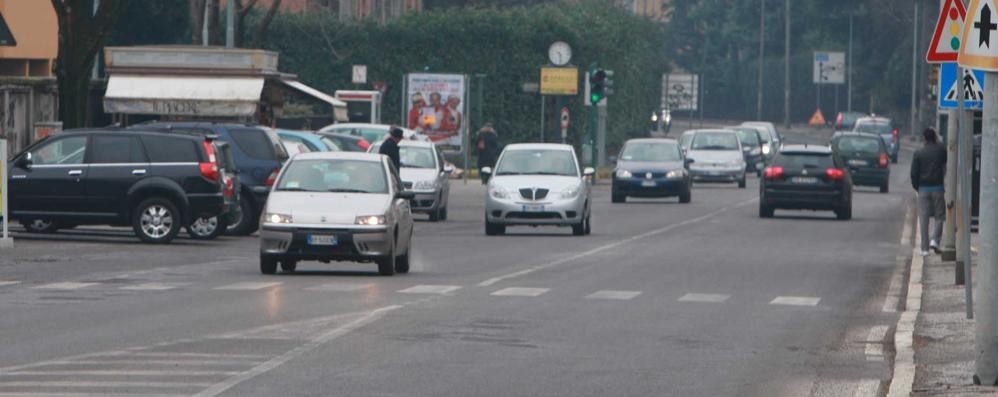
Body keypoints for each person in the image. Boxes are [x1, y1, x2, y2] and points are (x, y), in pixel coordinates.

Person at [911, 127, 947, 256]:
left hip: (923, 188)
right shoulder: (941, 150)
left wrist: (917, 187)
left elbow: (914, 173)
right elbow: (944, 165)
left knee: (924, 219)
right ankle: (935, 240)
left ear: (924, 138)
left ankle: (925, 249)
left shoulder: (918, 153)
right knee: (940, 216)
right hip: (938, 187)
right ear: (935, 137)